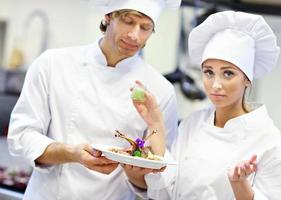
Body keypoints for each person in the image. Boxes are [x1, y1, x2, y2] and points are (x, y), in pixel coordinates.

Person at [7, 0, 181, 199]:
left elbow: (159, 181)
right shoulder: (52, 64)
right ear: (108, 16)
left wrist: (136, 172)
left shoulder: (160, 90)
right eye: (128, 21)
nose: (135, 35)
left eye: (145, 28)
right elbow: (21, 136)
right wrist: (72, 153)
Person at [137, 11, 281, 199]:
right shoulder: (192, 124)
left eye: (228, 74)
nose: (216, 85)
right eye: (209, 72)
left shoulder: (267, 140)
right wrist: (155, 124)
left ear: (247, 80)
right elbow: (166, 192)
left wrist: (240, 185)